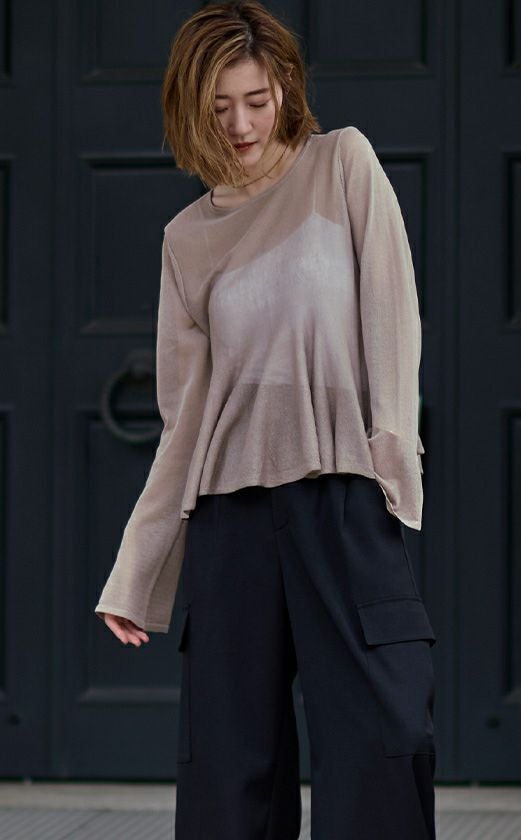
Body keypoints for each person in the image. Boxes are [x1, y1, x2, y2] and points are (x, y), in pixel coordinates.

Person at [93, 1, 437, 837]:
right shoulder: (187, 239)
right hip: (230, 522)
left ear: (284, 84)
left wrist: (390, 463)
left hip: (340, 497)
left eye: (255, 99)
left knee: (382, 744)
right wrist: (138, 569)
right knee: (228, 767)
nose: (241, 124)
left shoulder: (341, 165)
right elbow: (185, 420)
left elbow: (393, 317)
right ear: (192, 108)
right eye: (219, 107)